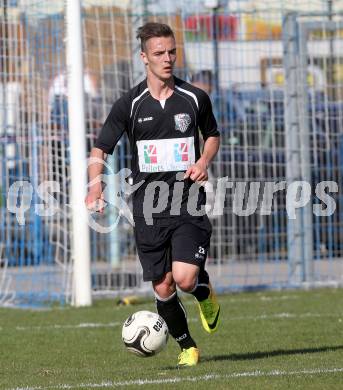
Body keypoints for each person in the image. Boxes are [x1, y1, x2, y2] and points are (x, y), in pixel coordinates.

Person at [85, 22, 220, 367]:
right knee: (163, 287)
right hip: (147, 207)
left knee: (185, 278)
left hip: (187, 200)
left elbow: (213, 135)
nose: (168, 59)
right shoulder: (129, 104)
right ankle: (187, 346)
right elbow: (100, 150)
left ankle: (202, 289)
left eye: (172, 51)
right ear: (144, 57)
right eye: (160, 53)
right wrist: (95, 185)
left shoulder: (194, 98)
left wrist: (204, 160)